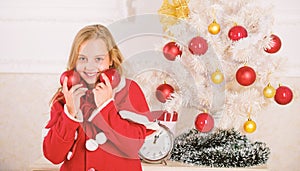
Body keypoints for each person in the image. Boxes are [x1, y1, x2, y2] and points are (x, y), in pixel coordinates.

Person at [43, 24, 160, 171]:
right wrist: (70, 114)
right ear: (74, 60)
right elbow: (53, 156)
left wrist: (106, 107)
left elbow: (133, 146)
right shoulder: (66, 97)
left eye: (98, 59)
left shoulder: (128, 91)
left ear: (111, 59)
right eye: (82, 58)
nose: (90, 67)